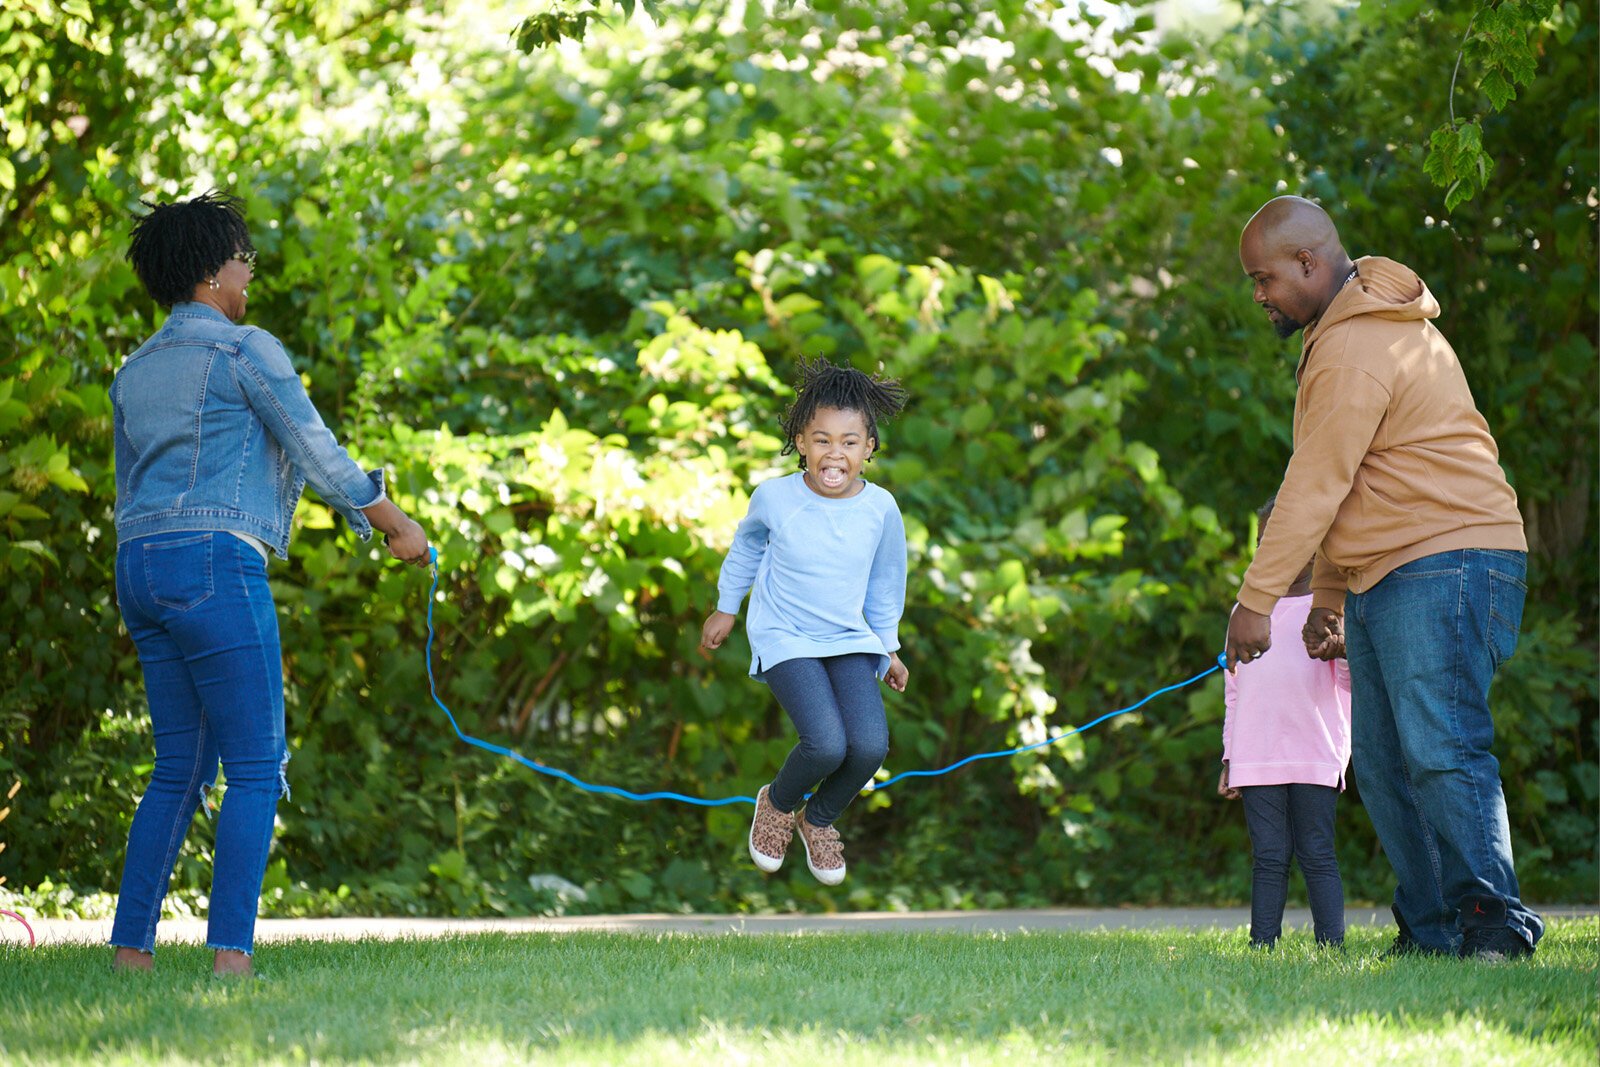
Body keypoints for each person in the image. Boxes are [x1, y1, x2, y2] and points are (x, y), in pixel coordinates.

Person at [110, 191, 431, 977]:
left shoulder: (134, 371)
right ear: (217, 271)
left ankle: (130, 954)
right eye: (243, 260)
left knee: (176, 768)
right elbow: (314, 447)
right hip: (216, 560)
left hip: (139, 568)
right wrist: (393, 523)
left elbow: (127, 486)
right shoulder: (244, 349)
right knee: (256, 766)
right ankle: (230, 959)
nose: (248, 274)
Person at [1223, 195, 1540, 961]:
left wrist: (1257, 600)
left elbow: (1314, 483)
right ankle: (1431, 928)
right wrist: (1327, 596)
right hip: (1387, 567)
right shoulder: (1345, 335)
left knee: (1441, 745)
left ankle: (1493, 920)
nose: (1259, 294)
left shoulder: (1355, 346)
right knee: (1386, 760)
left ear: (1307, 262)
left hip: (1448, 556)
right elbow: (1352, 482)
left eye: (1263, 278)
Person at [699, 358, 909, 886]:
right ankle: (777, 803)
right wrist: (727, 606)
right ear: (799, 442)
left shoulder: (881, 509)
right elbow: (745, 549)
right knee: (826, 743)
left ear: (869, 449)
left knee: (868, 746)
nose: (834, 453)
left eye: (849, 441)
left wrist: (888, 646)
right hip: (786, 635)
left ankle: (817, 821)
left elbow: (885, 581)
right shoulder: (775, 497)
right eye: (821, 440)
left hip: (849, 639)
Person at [1219, 496, 1352, 950]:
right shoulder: (1246, 617)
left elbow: (1354, 687)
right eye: (1262, 543)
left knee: (1317, 853)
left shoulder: (1328, 611)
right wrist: (1230, 755)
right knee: (1269, 857)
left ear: (1313, 547)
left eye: (1279, 541)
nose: (1268, 553)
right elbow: (1233, 692)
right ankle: (1262, 946)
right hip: (1257, 755)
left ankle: (1331, 946)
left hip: (1315, 753)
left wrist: (1341, 649)